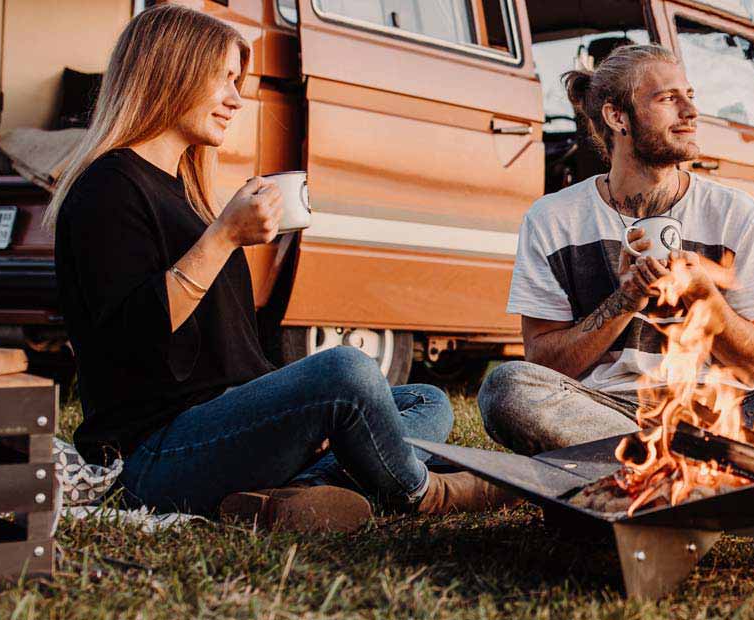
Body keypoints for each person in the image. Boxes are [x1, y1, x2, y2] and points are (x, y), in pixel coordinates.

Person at [48, 5, 508, 532]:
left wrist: (297, 409)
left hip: (223, 426)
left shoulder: (185, 192)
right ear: (172, 71)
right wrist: (224, 237)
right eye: (222, 79)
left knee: (424, 399)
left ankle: (287, 496)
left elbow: (231, 361)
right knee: (346, 371)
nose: (235, 100)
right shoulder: (107, 188)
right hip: (154, 456)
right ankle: (421, 492)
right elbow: (132, 337)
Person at [477, 44, 754, 455]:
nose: (691, 113)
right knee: (507, 388)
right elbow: (543, 364)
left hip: (727, 413)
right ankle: (704, 466)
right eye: (668, 99)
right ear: (617, 116)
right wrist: (625, 300)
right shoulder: (553, 219)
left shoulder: (736, 214)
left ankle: (649, 464)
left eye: (690, 96)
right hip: (610, 413)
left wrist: (704, 298)